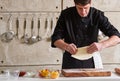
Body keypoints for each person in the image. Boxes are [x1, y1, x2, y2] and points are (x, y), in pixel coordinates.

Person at [51, 0, 120, 69]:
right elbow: (55, 39)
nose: (83, 12)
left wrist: (102, 45)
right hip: (70, 61)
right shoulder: (65, 15)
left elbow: (117, 37)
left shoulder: (97, 15)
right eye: (80, 8)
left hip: (93, 61)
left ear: (90, 3)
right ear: (75, 4)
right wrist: (66, 46)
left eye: (86, 8)